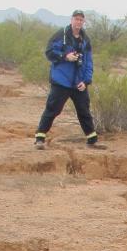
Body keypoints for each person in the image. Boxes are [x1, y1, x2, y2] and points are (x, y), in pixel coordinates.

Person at [34, 10, 98, 150]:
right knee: (53, 109)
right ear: (71, 20)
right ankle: (40, 138)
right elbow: (49, 52)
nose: (78, 22)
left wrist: (86, 81)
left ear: (83, 22)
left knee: (84, 110)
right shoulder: (61, 35)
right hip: (61, 81)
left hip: (78, 83)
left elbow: (88, 63)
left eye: (81, 20)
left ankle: (92, 140)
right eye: (76, 19)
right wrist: (65, 56)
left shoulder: (85, 40)